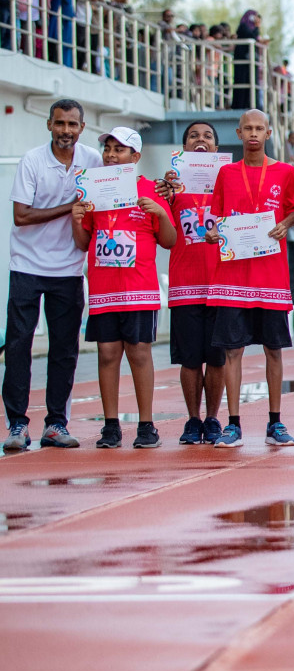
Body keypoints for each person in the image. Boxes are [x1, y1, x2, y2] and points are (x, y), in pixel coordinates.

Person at [3, 100, 103, 451]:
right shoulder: (33, 160)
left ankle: (56, 425)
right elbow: (21, 216)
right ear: (49, 125)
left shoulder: (92, 159)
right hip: (27, 266)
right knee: (18, 347)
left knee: (64, 349)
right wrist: (69, 207)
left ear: (82, 127)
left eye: (72, 124)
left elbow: (121, 177)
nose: (65, 131)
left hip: (69, 269)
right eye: (59, 124)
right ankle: (17, 425)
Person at [71, 127, 176, 448]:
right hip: (104, 288)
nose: (112, 155)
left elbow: (169, 241)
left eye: (120, 149)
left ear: (135, 157)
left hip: (139, 288)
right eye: (108, 149)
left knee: (140, 353)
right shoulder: (91, 191)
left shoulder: (151, 191)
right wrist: (76, 220)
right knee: (106, 354)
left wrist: (160, 212)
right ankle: (111, 425)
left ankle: (146, 425)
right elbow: (83, 243)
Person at [205, 109, 294, 447]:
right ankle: (233, 423)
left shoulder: (286, 171)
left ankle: (275, 422)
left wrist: (287, 223)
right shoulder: (226, 173)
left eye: (259, 128)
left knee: (273, 350)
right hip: (232, 276)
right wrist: (213, 233)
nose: (253, 134)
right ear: (237, 132)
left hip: (271, 277)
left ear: (269, 133)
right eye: (247, 128)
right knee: (233, 352)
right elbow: (214, 219)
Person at [154, 121, 227, 444]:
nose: (201, 140)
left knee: (217, 358)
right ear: (184, 148)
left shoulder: (229, 181)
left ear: (216, 147)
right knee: (189, 358)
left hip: (220, 283)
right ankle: (192, 419)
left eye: (207, 136)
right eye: (193, 136)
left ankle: (212, 418)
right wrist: (164, 194)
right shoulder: (172, 189)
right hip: (185, 284)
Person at [231, 9, 260, 111]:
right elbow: (252, 36)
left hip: (249, 61)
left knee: (250, 82)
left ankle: (250, 104)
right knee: (242, 82)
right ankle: (240, 105)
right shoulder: (243, 26)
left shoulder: (250, 27)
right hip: (243, 59)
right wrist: (257, 27)